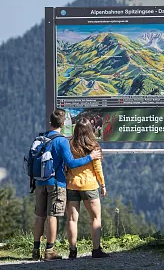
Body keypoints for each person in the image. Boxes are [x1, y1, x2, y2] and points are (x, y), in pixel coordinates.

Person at [32, 109, 103, 261]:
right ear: (63, 124)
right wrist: (90, 157)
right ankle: (49, 251)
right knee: (52, 216)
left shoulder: (42, 137)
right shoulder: (62, 141)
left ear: (50, 122)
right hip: (57, 183)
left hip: (40, 182)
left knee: (40, 217)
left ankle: (36, 249)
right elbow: (71, 163)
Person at [65, 117, 110, 259]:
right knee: (95, 218)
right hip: (89, 186)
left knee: (72, 219)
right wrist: (102, 184)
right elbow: (98, 168)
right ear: (90, 130)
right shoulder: (94, 147)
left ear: (76, 130)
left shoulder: (70, 144)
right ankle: (96, 250)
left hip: (72, 185)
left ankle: (72, 251)